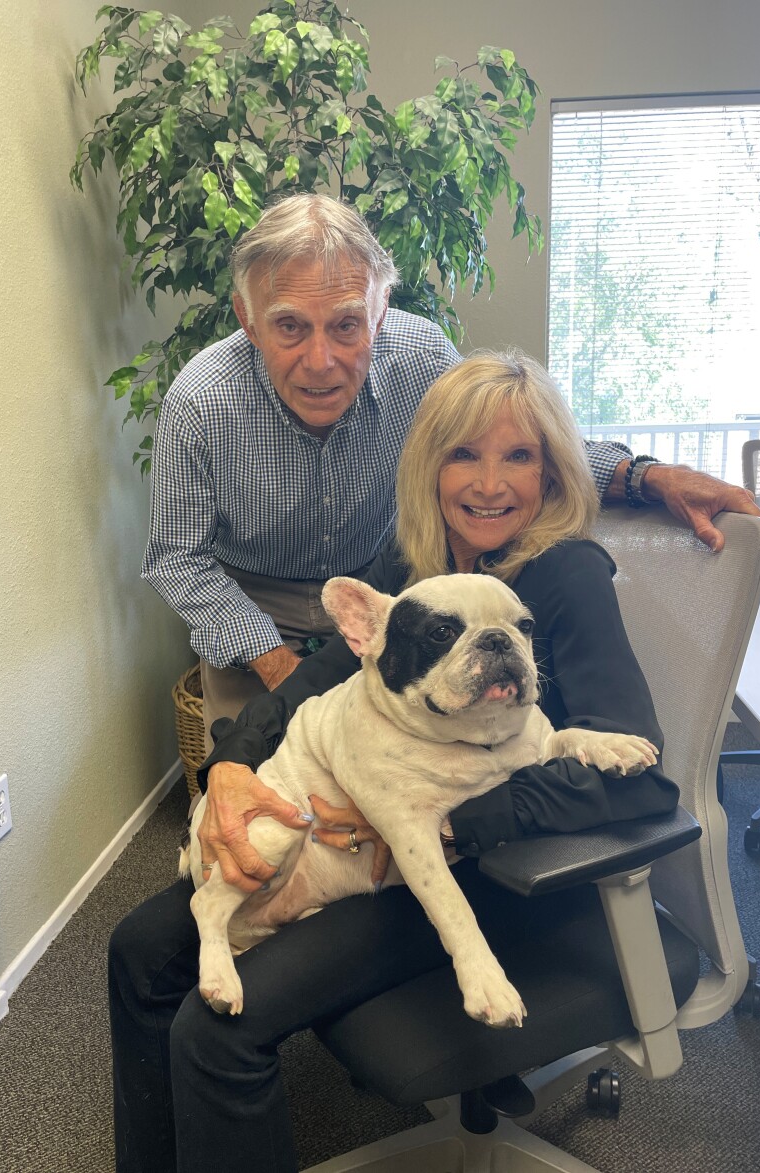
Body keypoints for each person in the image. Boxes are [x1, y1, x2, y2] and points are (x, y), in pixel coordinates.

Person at [111, 351, 689, 1173]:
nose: (490, 483)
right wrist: (229, 767)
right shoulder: (414, 560)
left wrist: (449, 823)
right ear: (430, 466)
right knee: (139, 947)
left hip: (500, 877)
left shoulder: (565, 574)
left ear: (552, 469)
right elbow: (314, 680)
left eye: (519, 455)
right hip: (355, 841)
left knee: (217, 1033)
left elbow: (644, 778)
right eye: (464, 454)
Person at [141, 194, 760, 754]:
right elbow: (176, 556)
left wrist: (644, 476)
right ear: (248, 321)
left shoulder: (423, 357)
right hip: (252, 602)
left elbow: (510, 440)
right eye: (289, 327)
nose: (321, 360)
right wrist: (277, 664)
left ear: (380, 312)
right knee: (252, 780)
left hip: (384, 587)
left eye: (346, 325)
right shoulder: (201, 401)